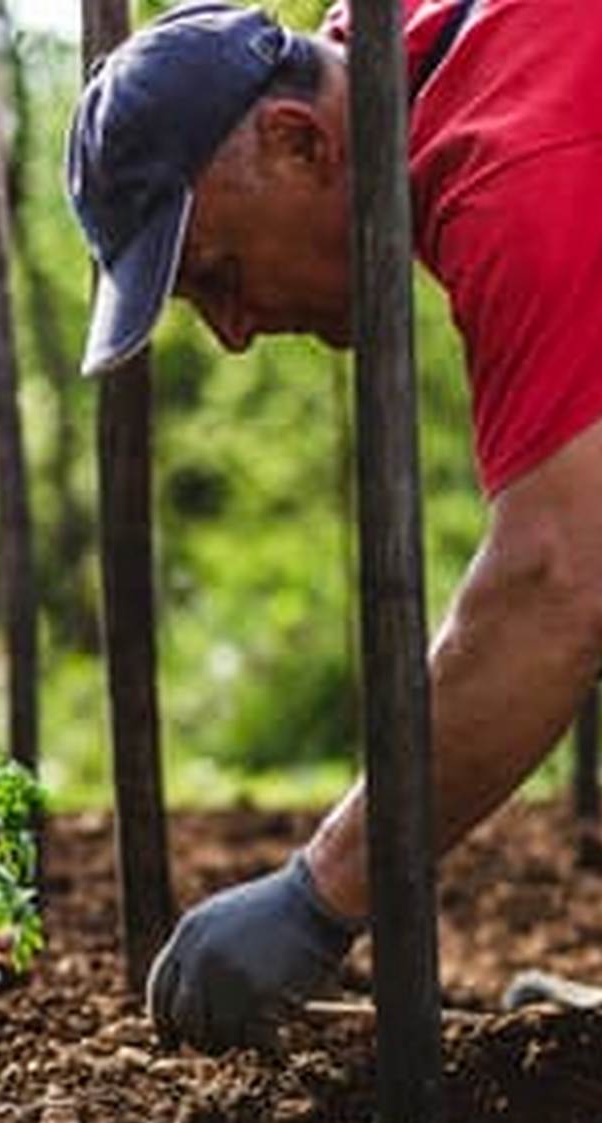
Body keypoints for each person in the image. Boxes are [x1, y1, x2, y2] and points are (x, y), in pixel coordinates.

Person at [65, 0, 602, 1054]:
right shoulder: (416, 52)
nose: (230, 334)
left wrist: (324, 892)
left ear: (297, 141)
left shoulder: (514, 160)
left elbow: (557, 583)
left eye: (217, 275)